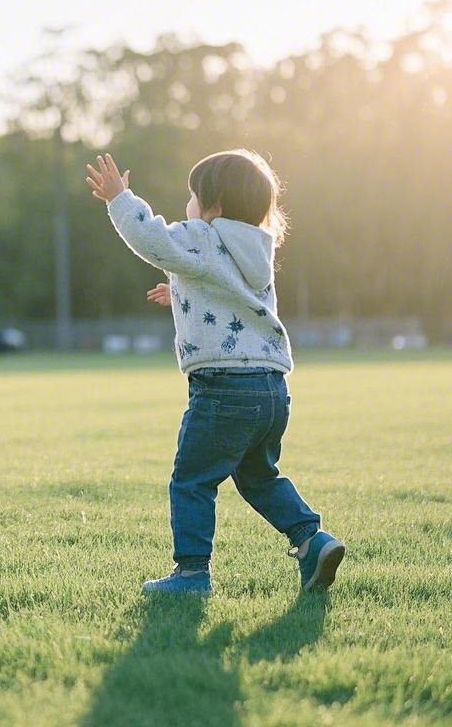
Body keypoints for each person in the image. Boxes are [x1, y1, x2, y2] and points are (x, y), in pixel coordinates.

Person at [85, 149, 344, 595]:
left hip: (224, 388)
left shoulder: (203, 236)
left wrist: (119, 199)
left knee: (192, 479)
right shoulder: (257, 246)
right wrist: (181, 288)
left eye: (192, 196)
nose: (188, 204)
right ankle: (311, 540)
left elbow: (152, 239)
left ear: (215, 205)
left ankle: (191, 574)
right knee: (258, 476)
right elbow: (226, 289)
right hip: (271, 389)